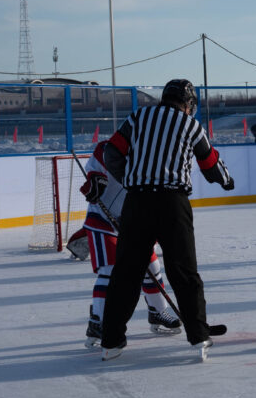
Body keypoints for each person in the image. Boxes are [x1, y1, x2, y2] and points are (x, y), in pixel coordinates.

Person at [100, 79, 234, 361]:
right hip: (173, 203)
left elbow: (110, 152)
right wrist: (226, 180)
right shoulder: (191, 125)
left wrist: (130, 179)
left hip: (137, 202)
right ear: (188, 104)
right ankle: (198, 336)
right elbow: (210, 164)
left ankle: (111, 340)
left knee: (126, 273)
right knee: (184, 272)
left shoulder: (138, 117)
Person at [77, 142, 182, 348]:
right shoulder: (109, 148)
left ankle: (157, 312)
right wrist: (94, 183)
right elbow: (94, 172)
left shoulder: (155, 158)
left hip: (134, 222)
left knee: (152, 267)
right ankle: (97, 322)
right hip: (103, 222)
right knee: (109, 271)